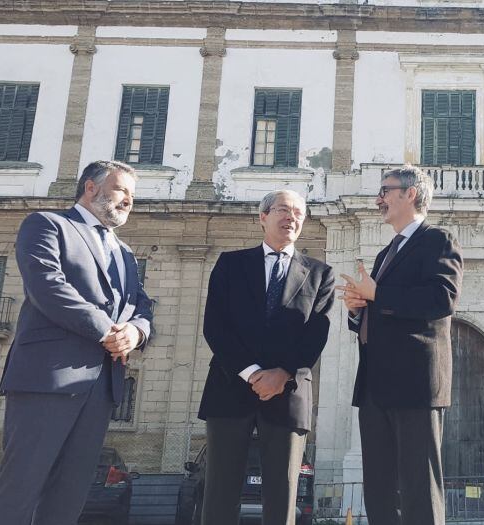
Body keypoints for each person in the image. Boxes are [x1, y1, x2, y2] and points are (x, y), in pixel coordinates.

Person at [0, 160, 153, 525]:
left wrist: (135, 332)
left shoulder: (125, 252)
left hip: (101, 386)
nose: (128, 201)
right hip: (48, 378)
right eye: (123, 190)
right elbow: (48, 285)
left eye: (133, 196)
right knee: (21, 487)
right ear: (91, 187)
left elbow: (142, 304)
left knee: (70, 494)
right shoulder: (47, 224)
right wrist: (108, 331)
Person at [198, 190, 335, 525]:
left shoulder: (319, 273)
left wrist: (283, 373)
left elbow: (316, 333)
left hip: (288, 393)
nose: (291, 218)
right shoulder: (230, 264)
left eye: (299, 213)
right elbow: (216, 326)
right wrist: (252, 372)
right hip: (230, 387)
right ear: (263, 217)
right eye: (283, 210)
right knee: (219, 492)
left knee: (283, 495)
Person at [337, 166, 463, 525]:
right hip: (375, 385)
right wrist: (358, 310)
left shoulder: (438, 240)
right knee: (378, 487)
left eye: (385, 190)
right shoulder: (385, 253)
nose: (379, 199)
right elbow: (381, 308)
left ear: (410, 193)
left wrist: (377, 293)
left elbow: (442, 298)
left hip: (414, 383)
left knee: (418, 486)